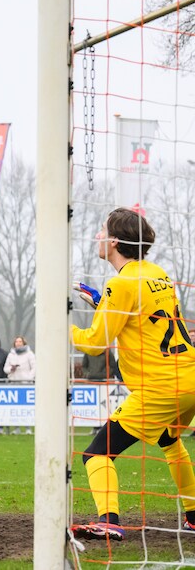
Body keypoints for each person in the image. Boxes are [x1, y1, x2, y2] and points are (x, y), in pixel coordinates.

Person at [70, 208, 195, 542]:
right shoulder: (158, 274)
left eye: (101, 230)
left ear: (114, 241)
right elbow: (143, 320)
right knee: (170, 442)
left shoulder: (120, 283)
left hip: (160, 387)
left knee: (96, 453)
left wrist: (59, 328)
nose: (97, 236)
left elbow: (96, 344)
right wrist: (102, 302)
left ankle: (108, 521)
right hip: (190, 379)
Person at [4, 336, 36, 435]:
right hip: (14, 383)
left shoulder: (29, 354)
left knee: (26, 407)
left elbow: (34, 367)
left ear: (23, 343)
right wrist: (11, 369)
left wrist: (29, 378)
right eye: (16, 342)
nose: (18, 343)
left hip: (26, 384)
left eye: (20, 341)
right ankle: (16, 428)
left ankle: (28, 428)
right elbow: (5, 368)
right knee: (15, 407)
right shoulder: (11, 355)